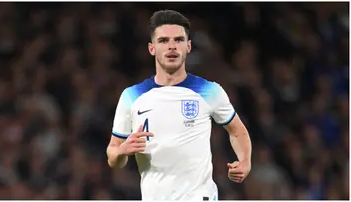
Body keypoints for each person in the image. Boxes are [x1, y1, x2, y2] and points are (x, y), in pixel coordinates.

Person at [106, 9, 252, 200]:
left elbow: (237, 131)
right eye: (164, 41)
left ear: (188, 46)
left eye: (178, 40)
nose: (172, 47)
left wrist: (245, 161)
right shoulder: (132, 96)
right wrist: (122, 151)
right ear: (152, 48)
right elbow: (113, 154)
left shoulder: (209, 91)